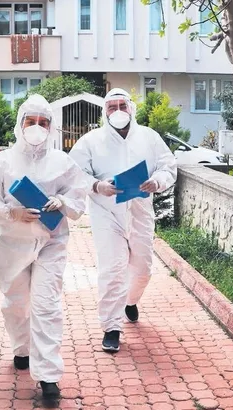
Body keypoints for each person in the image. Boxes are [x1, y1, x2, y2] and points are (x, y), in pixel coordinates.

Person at [0, 94, 88, 400]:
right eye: (31, 121)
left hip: (51, 243)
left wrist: (62, 201)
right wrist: (11, 213)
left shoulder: (62, 162)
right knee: (15, 304)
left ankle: (48, 377)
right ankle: (21, 347)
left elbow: (78, 198)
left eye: (43, 122)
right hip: (12, 244)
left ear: (51, 126)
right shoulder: (2, 162)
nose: (37, 127)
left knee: (46, 305)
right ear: (20, 124)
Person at [69, 88, 177, 353]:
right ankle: (111, 327)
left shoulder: (149, 137)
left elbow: (168, 166)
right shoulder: (91, 141)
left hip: (140, 211)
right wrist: (97, 186)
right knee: (112, 269)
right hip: (106, 213)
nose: (117, 111)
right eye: (111, 106)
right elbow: (75, 173)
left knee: (143, 269)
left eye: (122, 105)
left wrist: (157, 182)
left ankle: (130, 300)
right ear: (104, 112)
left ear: (131, 108)